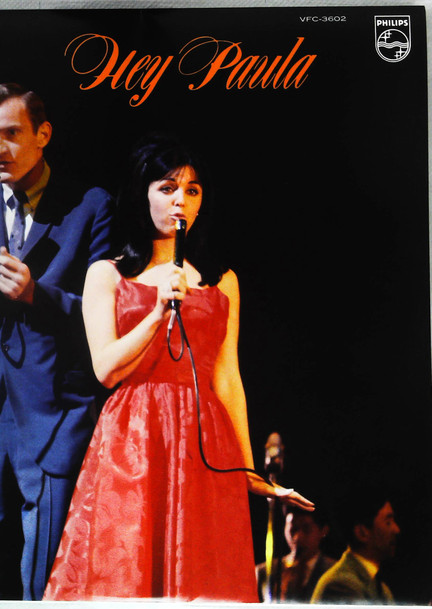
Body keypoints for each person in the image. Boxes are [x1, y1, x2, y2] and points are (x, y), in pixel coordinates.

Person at [43, 134, 313, 601]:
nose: (180, 201)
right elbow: (106, 370)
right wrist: (156, 312)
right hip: (134, 435)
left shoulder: (221, 282)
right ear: (143, 193)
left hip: (205, 439)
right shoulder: (108, 274)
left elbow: (227, 377)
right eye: (167, 188)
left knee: (202, 575)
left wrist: (247, 469)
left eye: (192, 190)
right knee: (128, 565)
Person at [0, 83, 113, 600]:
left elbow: (106, 316)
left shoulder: (90, 206)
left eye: (11, 133)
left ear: (43, 134)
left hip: (53, 411)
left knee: (45, 578)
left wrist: (37, 295)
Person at [311, 490, 400, 603]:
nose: (396, 530)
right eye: (388, 522)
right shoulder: (342, 585)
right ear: (362, 533)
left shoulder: (381, 588)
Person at [256, 505, 335, 602]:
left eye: (306, 529)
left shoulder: (334, 573)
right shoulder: (263, 572)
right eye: (293, 529)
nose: (298, 537)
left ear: (324, 531)